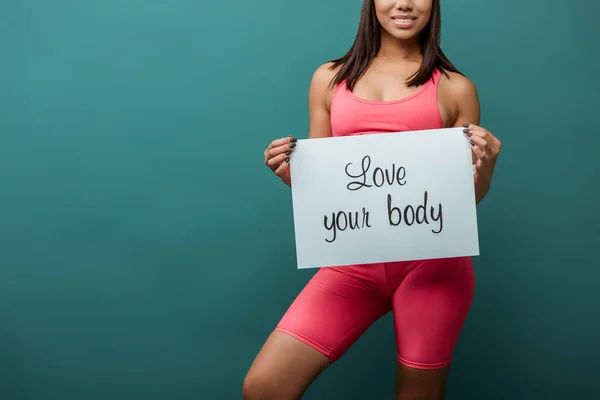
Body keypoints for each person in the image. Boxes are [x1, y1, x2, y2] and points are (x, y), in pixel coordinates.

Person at [244, 0, 502, 399]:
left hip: (432, 267)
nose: (404, 3)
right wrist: (288, 169)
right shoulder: (329, 79)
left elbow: (463, 203)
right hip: (352, 265)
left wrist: (486, 167)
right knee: (264, 387)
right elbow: (326, 189)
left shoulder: (455, 87)